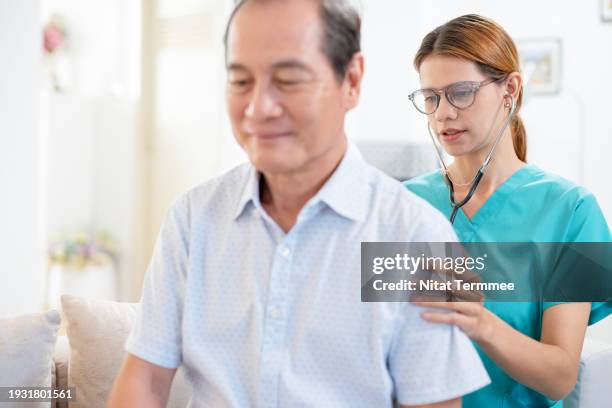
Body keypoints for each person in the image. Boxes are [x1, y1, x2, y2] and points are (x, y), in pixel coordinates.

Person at [107, 2, 491, 407]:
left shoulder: (415, 237)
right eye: (240, 81)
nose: (258, 108)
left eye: (288, 80)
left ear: (351, 80)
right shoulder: (192, 218)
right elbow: (145, 381)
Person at [404, 14, 612, 408]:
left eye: (460, 92)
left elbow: (561, 378)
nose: (442, 114)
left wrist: (479, 322)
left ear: (510, 89)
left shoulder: (573, 211)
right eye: (430, 97)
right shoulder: (402, 204)